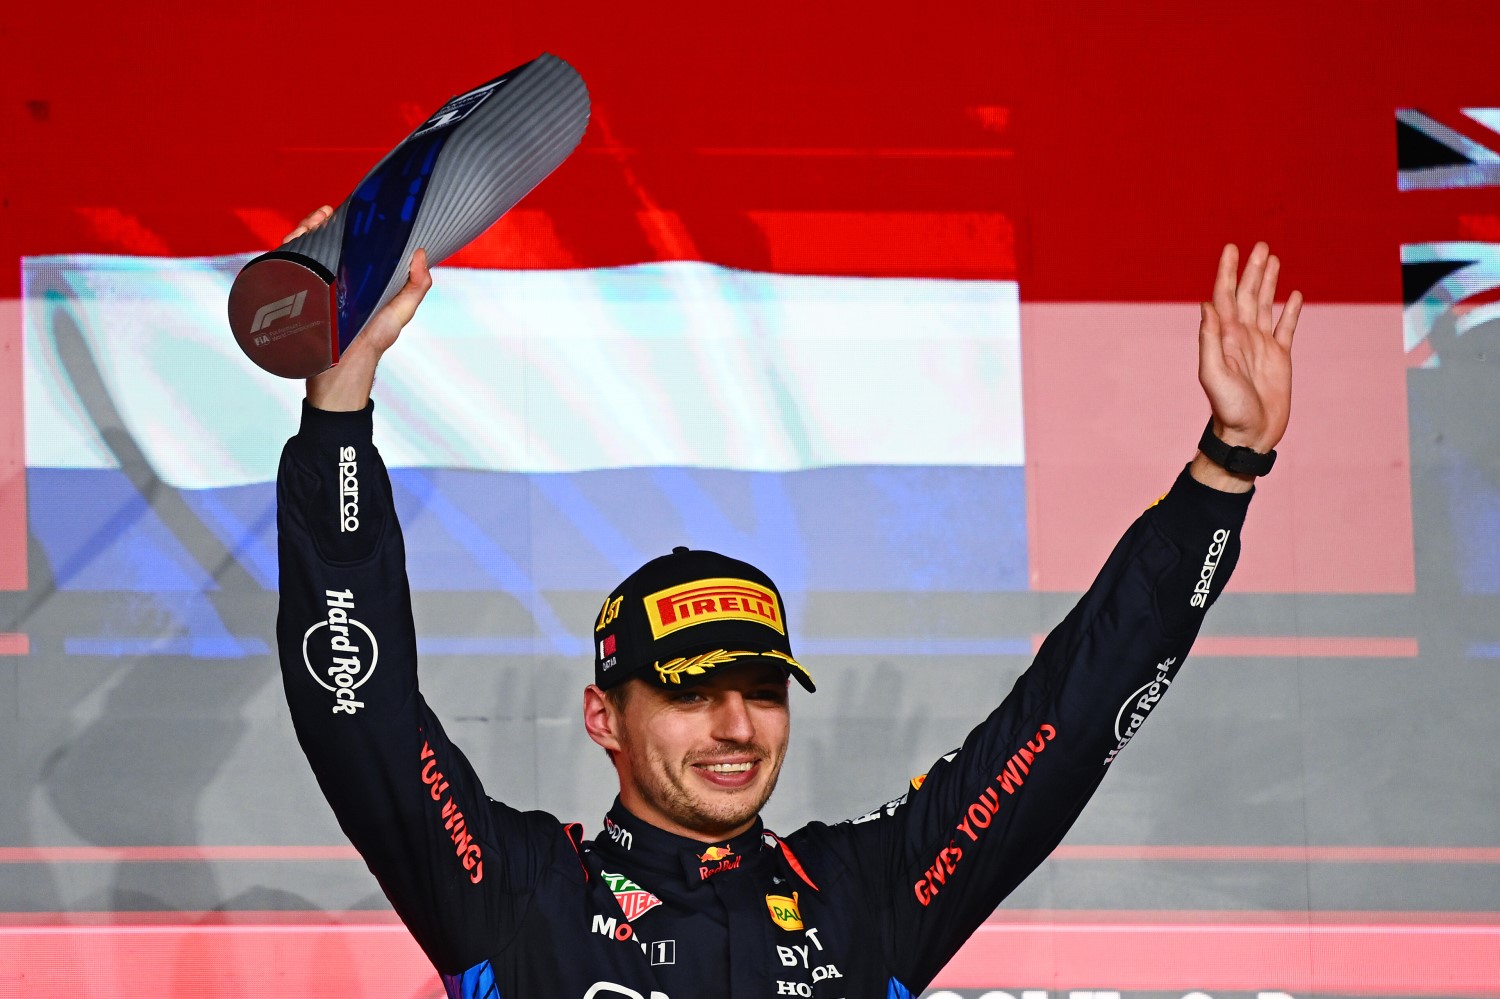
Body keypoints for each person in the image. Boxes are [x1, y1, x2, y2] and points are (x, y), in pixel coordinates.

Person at [275, 204, 1301, 999]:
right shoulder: (521, 894)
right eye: (690, 692)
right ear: (605, 718)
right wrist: (339, 408)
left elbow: (1068, 722)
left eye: (762, 689)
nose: (736, 726)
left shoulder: (864, 896)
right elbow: (355, 704)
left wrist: (1225, 471)